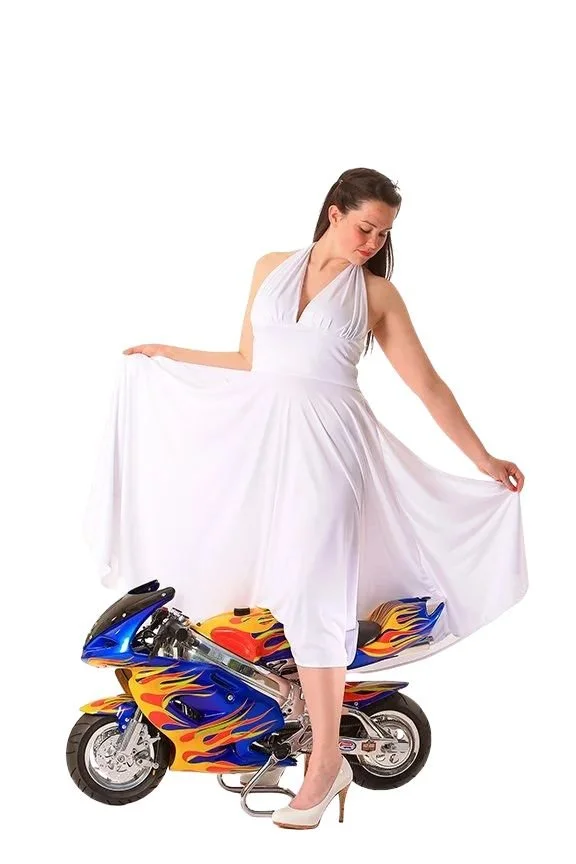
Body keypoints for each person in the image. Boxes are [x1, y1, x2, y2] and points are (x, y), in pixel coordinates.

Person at [85, 167, 528, 829]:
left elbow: (428, 386)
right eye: (365, 227)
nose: (372, 243)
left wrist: (483, 458)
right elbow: (250, 359)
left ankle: (325, 762)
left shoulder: (376, 295)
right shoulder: (270, 267)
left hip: (331, 451)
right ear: (333, 212)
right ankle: (277, 727)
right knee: (259, 585)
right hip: (264, 445)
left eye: (383, 234)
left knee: (314, 592)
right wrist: (166, 354)